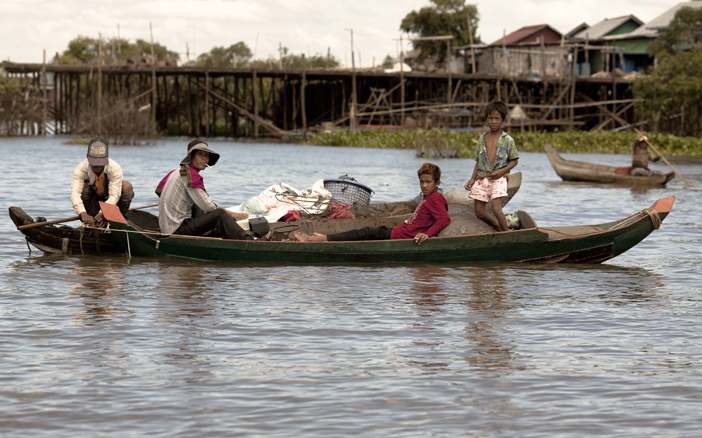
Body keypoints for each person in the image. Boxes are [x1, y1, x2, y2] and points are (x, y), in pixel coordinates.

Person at [293, 163, 450, 245]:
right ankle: (326, 238)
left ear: (437, 183)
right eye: (421, 182)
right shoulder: (430, 197)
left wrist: (428, 234)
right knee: (360, 232)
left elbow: (444, 219)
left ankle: (312, 240)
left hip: (398, 235)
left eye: (428, 182)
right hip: (398, 231)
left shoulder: (435, 198)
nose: (423, 185)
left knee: (362, 233)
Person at [156, 139, 267, 240]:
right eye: (200, 154)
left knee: (202, 208)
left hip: (170, 228)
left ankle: (211, 233)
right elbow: (207, 206)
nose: (205, 158)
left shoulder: (176, 172)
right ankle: (248, 241)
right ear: (191, 156)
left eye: (206, 155)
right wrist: (229, 214)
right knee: (219, 214)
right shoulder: (188, 175)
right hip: (176, 230)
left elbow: (160, 193)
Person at [464, 100, 519, 232]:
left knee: (496, 208)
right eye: (490, 118)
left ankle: (507, 233)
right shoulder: (482, 139)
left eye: (497, 119)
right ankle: (498, 226)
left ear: (503, 120)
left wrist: (502, 171)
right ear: (486, 119)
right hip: (483, 177)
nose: (493, 121)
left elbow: (515, 160)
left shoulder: (508, 140)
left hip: (499, 178)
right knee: (479, 212)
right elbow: (478, 161)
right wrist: (472, 179)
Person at [70, 137, 134, 227]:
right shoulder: (81, 169)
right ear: (87, 157)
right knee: (84, 189)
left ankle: (117, 221)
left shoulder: (114, 168)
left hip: (111, 203)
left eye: (100, 162)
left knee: (126, 186)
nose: (97, 165)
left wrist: (102, 213)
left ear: (107, 157)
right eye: (94, 162)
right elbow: (75, 194)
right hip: (92, 202)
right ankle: (89, 221)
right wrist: (82, 213)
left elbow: (114, 196)